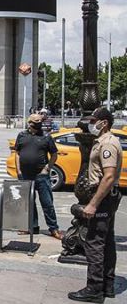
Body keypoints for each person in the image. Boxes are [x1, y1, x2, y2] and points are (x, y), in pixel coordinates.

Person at [68, 107, 122, 303]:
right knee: (107, 242)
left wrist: (93, 204)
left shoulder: (107, 143)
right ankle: (107, 286)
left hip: (103, 196)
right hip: (108, 196)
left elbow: (107, 177)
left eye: (94, 120)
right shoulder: (105, 141)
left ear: (104, 122)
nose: (91, 124)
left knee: (94, 243)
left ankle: (94, 288)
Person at [14, 113, 63, 239]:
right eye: (36, 122)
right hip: (25, 174)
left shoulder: (46, 136)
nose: (39, 123)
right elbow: (17, 153)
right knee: (28, 203)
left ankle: (54, 228)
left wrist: (47, 168)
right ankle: (32, 227)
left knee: (47, 203)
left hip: (41, 175)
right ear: (29, 123)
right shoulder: (22, 135)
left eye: (40, 121)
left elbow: (54, 154)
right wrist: (18, 170)